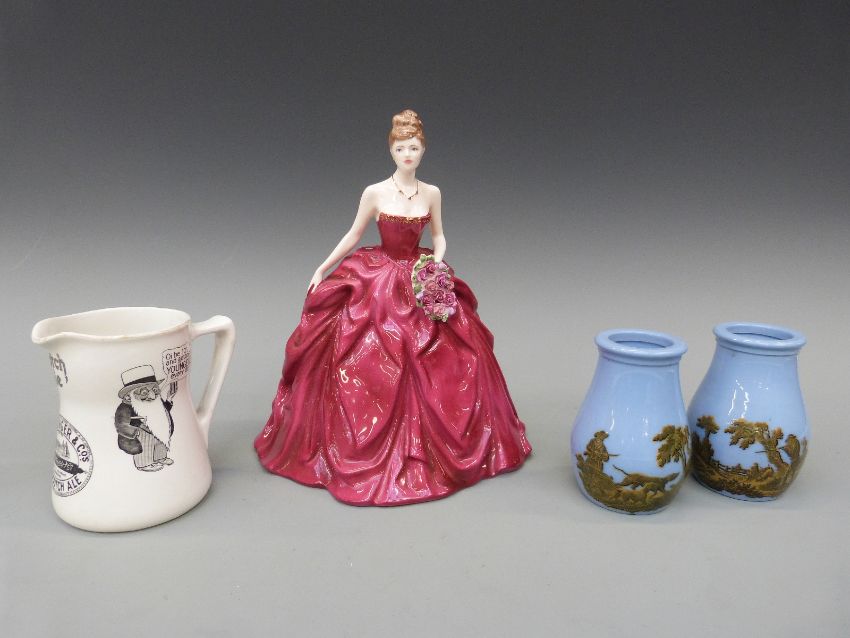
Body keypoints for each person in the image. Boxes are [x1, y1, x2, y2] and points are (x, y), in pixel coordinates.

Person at [255, 110, 531, 505]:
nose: (408, 154)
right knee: (362, 346)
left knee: (457, 349)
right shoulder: (374, 192)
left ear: (423, 150)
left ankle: (440, 449)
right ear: (391, 150)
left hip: (419, 275)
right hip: (379, 278)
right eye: (401, 148)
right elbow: (354, 234)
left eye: (414, 147)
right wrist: (322, 267)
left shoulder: (432, 193)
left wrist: (435, 265)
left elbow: (439, 236)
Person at [115, 365, 176, 472]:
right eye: (144, 392)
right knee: (146, 446)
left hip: (156, 427)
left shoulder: (156, 401)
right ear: (128, 396)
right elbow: (122, 423)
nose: (152, 396)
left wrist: (169, 400)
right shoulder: (125, 408)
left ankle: (160, 458)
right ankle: (144, 464)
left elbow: (163, 411)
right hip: (140, 431)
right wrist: (136, 427)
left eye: (155, 390)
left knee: (159, 443)